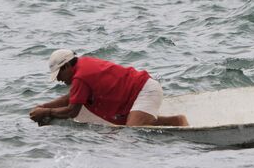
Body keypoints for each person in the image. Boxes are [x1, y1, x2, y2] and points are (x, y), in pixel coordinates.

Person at [29, 49, 188, 127]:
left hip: (144, 91)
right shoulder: (82, 67)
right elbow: (71, 97)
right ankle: (177, 121)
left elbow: (72, 110)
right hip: (142, 90)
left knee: (132, 135)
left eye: (58, 75)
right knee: (136, 127)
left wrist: (46, 112)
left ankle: (178, 121)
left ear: (66, 67)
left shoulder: (80, 76)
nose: (58, 79)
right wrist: (43, 106)